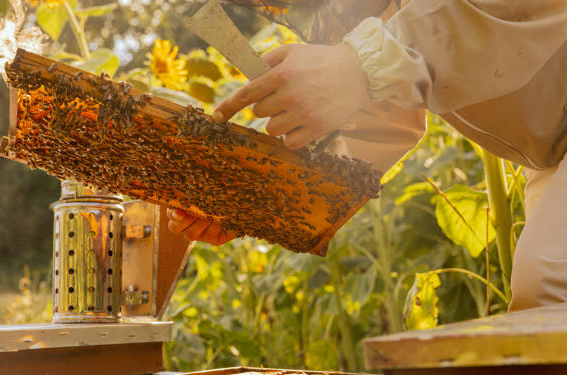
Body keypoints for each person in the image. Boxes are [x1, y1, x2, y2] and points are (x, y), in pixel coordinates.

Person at [167, 0, 567, 312]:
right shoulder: (360, 10)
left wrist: (360, 65)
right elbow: (381, 122)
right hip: (553, 150)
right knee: (543, 315)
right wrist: (258, 200)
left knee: (549, 285)